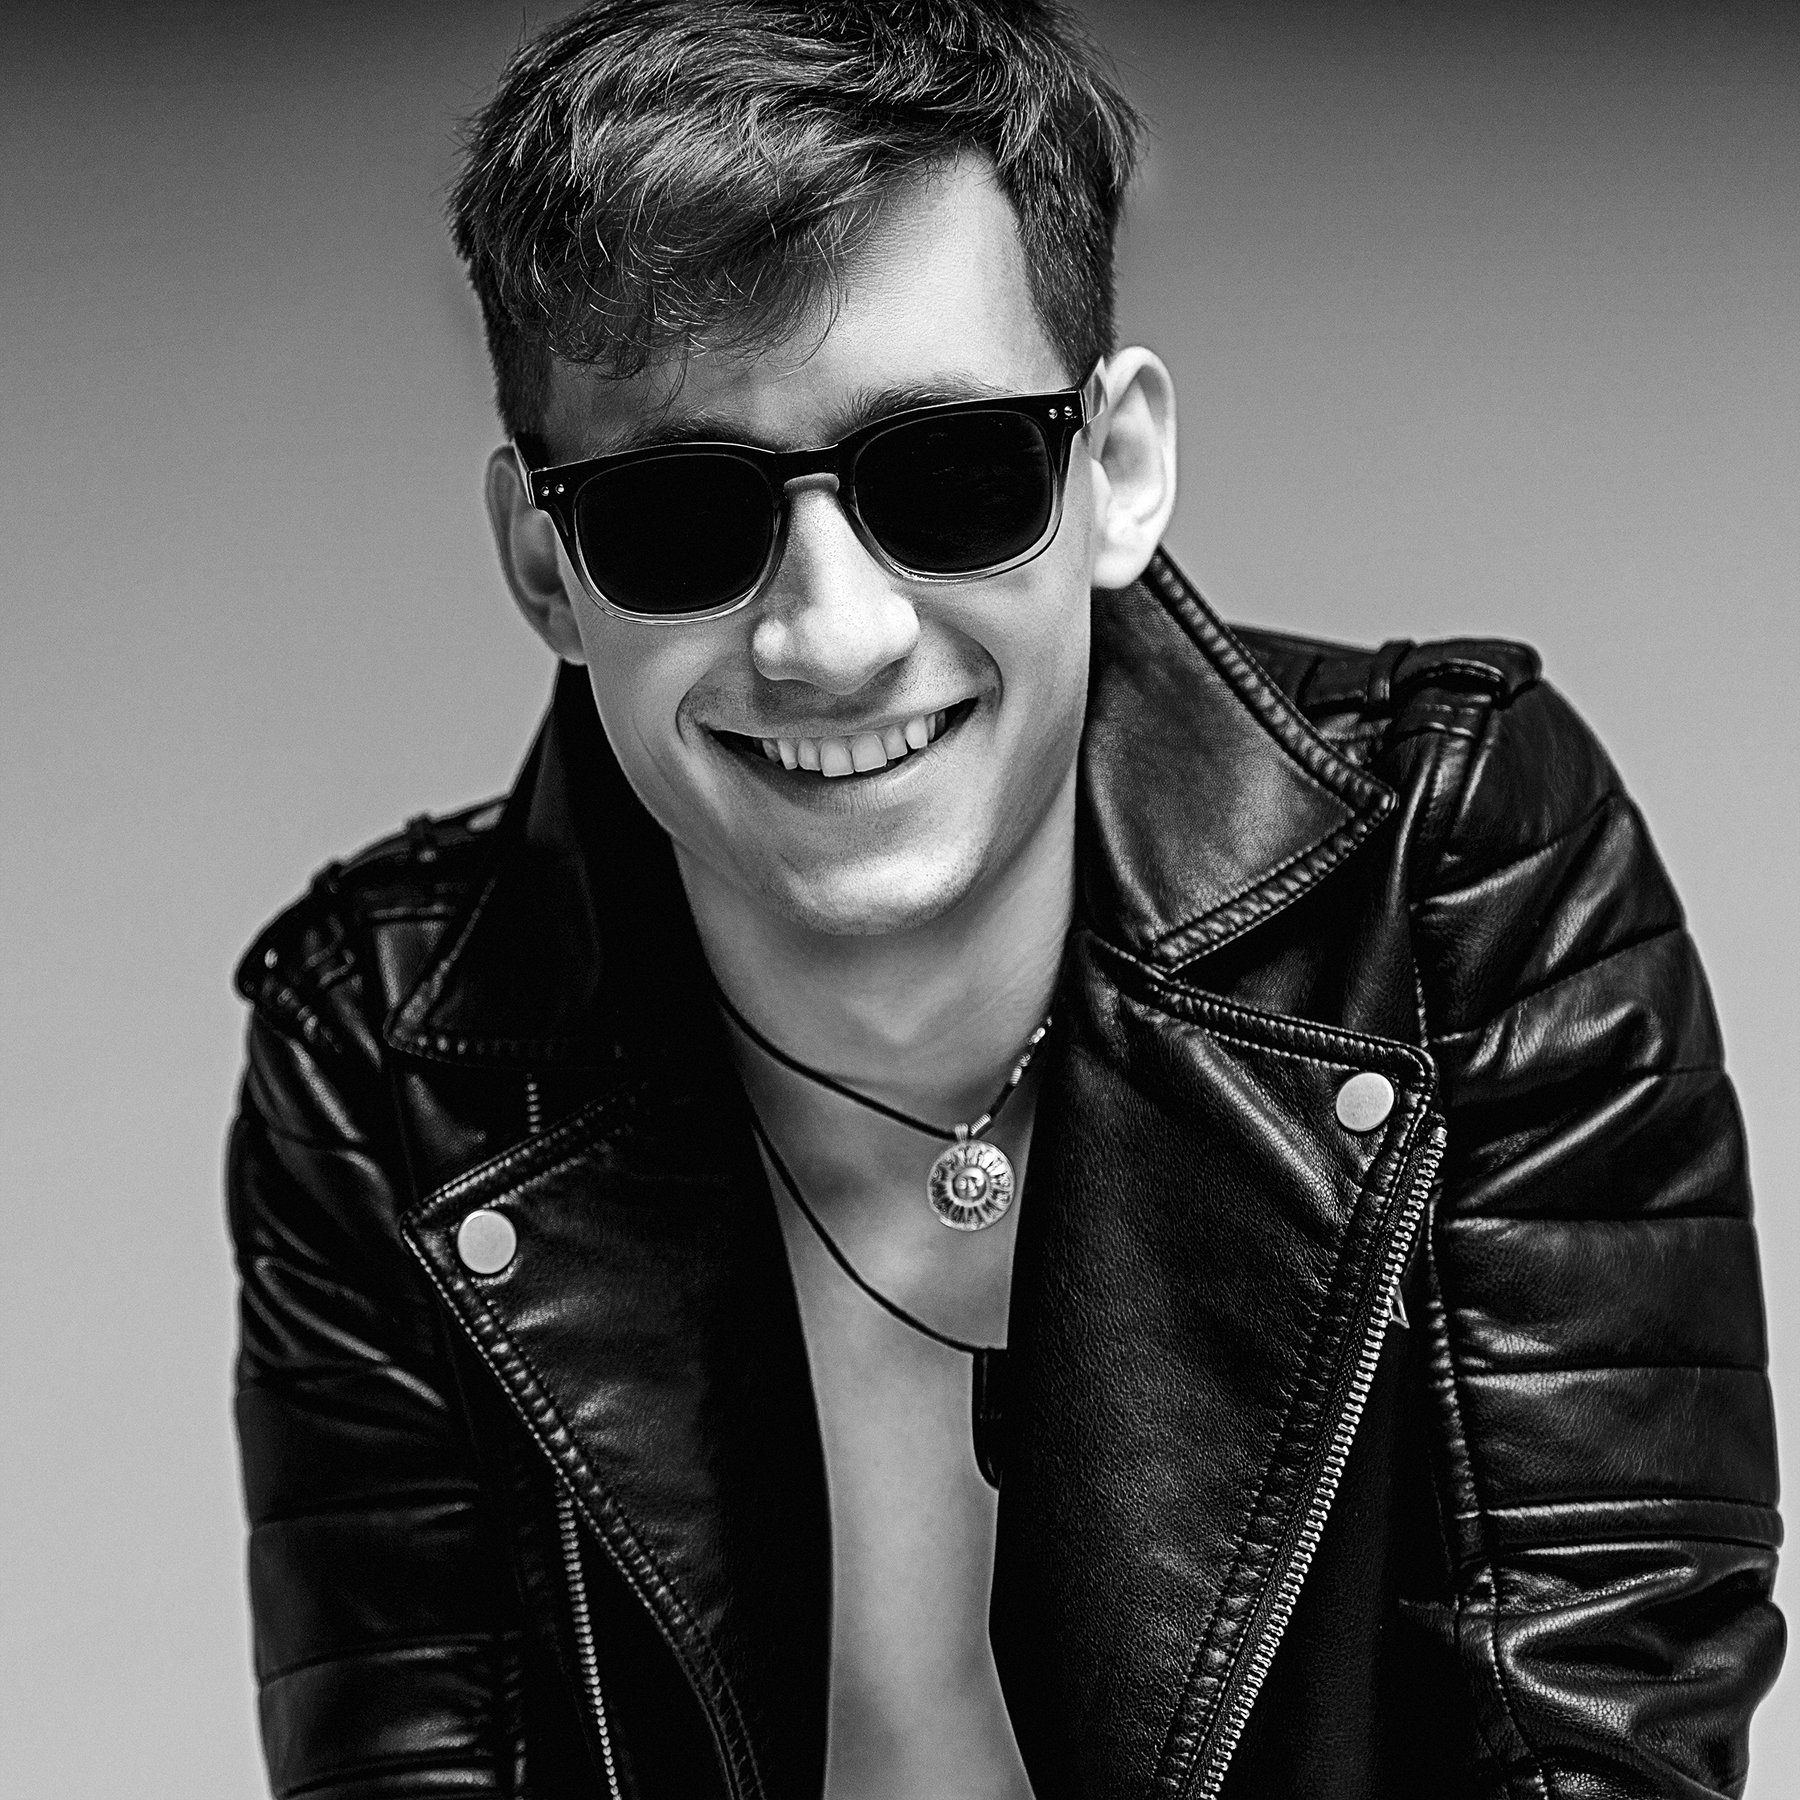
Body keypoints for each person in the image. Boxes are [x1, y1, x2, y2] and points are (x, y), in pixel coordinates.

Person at [225, 4, 1782, 1796]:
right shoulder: (388, 1060)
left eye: (949, 478)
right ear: (543, 566)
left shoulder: (1456, 873)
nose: (831, 637)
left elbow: (1598, 1735)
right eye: (678, 516)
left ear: (1116, 473)